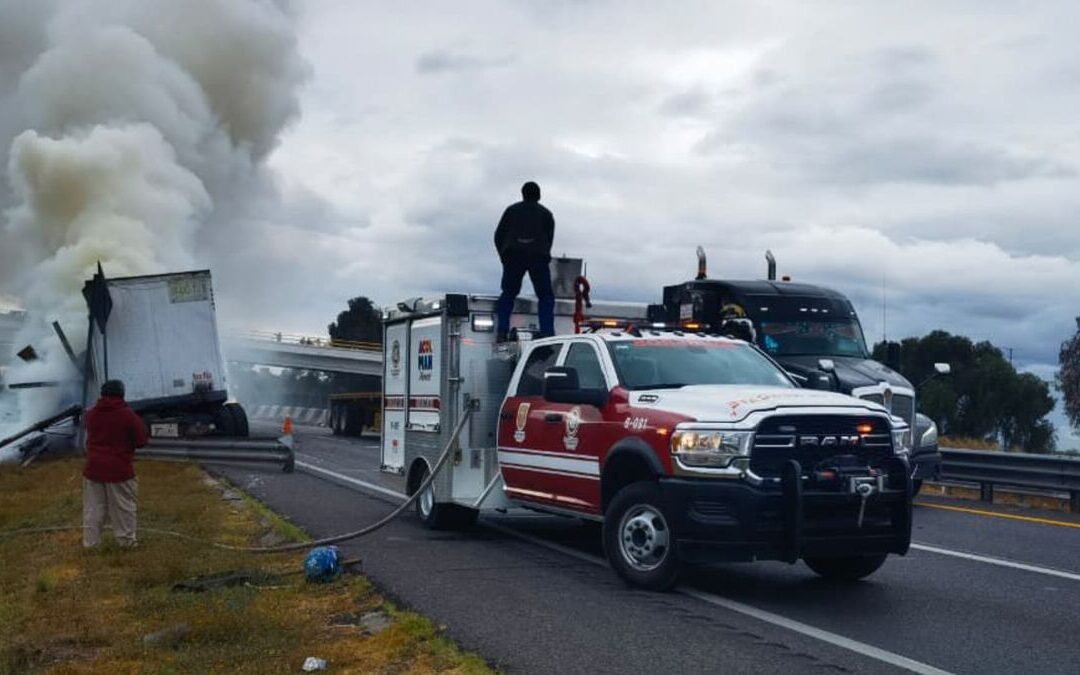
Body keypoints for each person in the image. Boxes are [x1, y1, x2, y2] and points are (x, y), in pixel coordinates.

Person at [82, 379, 148, 548]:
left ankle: (91, 543)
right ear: (122, 394)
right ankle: (126, 542)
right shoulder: (127, 414)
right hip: (119, 469)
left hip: (93, 469)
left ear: (102, 394)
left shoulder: (90, 414)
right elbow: (141, 440)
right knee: (123, 507)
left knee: (94, 509)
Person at [494, 181, 556, 341]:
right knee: (545, 296)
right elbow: (550, 237)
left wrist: (504, 256)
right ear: (539, 195)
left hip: (514, 256)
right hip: (538, 257)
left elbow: (498, 235)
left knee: (508, 294)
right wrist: (543, 253)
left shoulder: (511, 211)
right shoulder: (546, 214)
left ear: (523, 194)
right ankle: (548, 332)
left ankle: (502, 331)